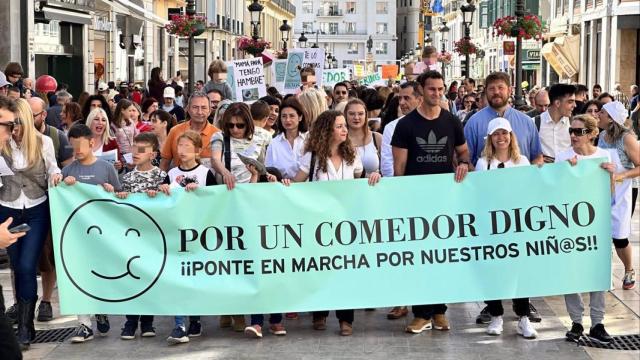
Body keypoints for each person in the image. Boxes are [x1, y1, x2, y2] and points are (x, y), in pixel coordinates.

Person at [283, 110, 380, 336]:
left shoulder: (351, 154)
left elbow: (359, 180)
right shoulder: (313, 156)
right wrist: (286, 183)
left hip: (345, 221)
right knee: (322, 268)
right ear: (328, 130)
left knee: (345, 270)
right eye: (339, 126)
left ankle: (346, 319)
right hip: (320, 223)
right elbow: (299, 181)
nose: (345, 130)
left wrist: (373, 177)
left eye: (344, 126)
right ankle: (320, 312)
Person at [391, 71, 469, 334]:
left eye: (440, 89)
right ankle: (421, 313)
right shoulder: (406, 125)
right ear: (421, 91)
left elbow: (463, 151)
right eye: (432, 89)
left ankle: (439, 311)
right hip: (415, 201)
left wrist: (465, 164)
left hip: (445, 200)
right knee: (420, 259)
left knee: (442, 258)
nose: (437, 93)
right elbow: (399, 168)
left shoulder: (451, 121)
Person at [0, 98, 62, 350]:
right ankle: (25, 325)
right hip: (8, 208)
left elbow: (53, 168)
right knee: (17, 265)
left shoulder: (43, 142)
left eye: (15, 124)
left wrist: (56, 175)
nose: (12, 130)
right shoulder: (2, 145)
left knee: (27, 265)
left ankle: (26, 326)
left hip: (36, 209)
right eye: (8, 125)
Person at [555, 114, 616, 344]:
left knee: (598, 272)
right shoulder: (563, 157)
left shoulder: (604, 156)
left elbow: (609, 195)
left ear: (592, 134)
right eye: (571, 131)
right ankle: (576, 321)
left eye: (578, 132)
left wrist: (610, 174)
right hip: (570, 224)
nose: (573, 135)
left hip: (596, 222)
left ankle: (598, 323)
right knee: (572, 273)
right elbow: (556, 194)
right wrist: (566, 173)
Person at [474, 117, 536, 339]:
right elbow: (479, 194)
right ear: (490, 138)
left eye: (505, 133)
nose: (501, 138)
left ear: (511, 136)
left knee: (520, 273)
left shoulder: (523, 162)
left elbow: (529, 191)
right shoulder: (483, 164)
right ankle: (496, 315)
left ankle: (523, 318)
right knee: (493, 272)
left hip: (517, 226)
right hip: (491, 227)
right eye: (496, 134)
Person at [62, 124, 121, 343]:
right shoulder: (68, 170)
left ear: (92, 143)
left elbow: (121, 195)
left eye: (80, 145)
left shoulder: (106, 168)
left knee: (99, 274)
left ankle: (101, 309)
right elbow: (60, 196)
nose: (76, 150)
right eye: (73, 145)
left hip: (102, 233)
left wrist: (111, 191)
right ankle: (84, 324)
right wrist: (63, 184)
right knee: (78, 275)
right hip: (76, 234)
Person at [161, 131, 217, 345]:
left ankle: (195, 317)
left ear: (196, 149)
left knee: (195, 278)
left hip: (199, 234)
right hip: (176, 234)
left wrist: (200, 192)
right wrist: (163, 189)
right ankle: (179, 324)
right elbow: (165, 201)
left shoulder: (205, 173)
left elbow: (215, 202)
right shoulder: (172, 172)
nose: (182, 150)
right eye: (179, 146)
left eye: (186, 146)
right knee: (178, 278)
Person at [115, 132, 166, 340]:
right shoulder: (126, 178)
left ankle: (147, 321)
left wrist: (162, 192)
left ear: (152, 153)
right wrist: (119, 195)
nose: (136, 153)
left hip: (153, 236)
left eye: (142, 149)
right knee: (131, 278)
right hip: (131, 236)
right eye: (134, 148)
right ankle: (130, 321)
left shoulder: (161, 177)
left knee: (149, 277)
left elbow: (170, 202)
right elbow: (118, 205)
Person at [597, 101, 640, 290]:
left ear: (611, 118)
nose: (598, 114)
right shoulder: (600, 136)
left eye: (602, 112)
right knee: (602, 234)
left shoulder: (627, 138)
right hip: (603, 190)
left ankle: (629, 269)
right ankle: (603, 273)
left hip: (624, 191)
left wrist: (621, 175)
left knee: (620, 237)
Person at [464, 72, 543, 166]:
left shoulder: (527, 122)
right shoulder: (473, 123)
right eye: (492, 88)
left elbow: (537, 157)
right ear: (486, 92)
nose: (496, 92)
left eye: (500, 88)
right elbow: (465, 160)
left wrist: (527, 175)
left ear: (509, 90)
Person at [160, 92, 218, 171]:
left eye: (204, 108)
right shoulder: (175, 131)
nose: (199, 112)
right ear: (188, 109)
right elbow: (164, 163)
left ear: (209, 111)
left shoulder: (217, 134)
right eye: (195, 107)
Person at [211, 102, 263, 189]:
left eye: (240, 125)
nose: (235, 129)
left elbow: (261, 169)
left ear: (248, 123)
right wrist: (225, 173)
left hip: (248, 192)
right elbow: (215, 159)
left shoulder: (259, 140)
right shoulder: (219, 137)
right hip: (225, 191)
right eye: (230, 125)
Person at [381, 81, 422, 178]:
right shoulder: (391, 127)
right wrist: (397, 186)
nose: (401, 102)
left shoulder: (433, 123)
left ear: (420, 100)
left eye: (406, 98)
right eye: (400, 98)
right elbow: (387, 163)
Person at [265, 98, 308, 180]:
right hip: (282, 189)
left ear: (300, 117)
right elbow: (269, 170)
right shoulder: (274, 143)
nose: (287, 120)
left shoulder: (309, 139)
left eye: (292, 116)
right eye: (284, 116)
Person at [536, 84, 575, 163]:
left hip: (567, 171)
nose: (574, 105)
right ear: (557, 103)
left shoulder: (574, 124)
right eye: (570, 102)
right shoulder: (534, 123)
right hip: (543, 172)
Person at [345, 99, 382, 177]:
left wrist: (379, 175)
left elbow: (387, 166)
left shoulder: (377, 138)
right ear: (345, 115)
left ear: (366, 116)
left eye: (361, 114)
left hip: (374, 187)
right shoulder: (339, 140)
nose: (356, 117)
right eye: (351, 114)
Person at [111, 99, 140, 164]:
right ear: (122, 110)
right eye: (129, 110)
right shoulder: (112, 125)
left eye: (133, 110)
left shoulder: (131, 122)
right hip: (120, 156)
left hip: (131, 154)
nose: (132, 113)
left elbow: (137, 137)